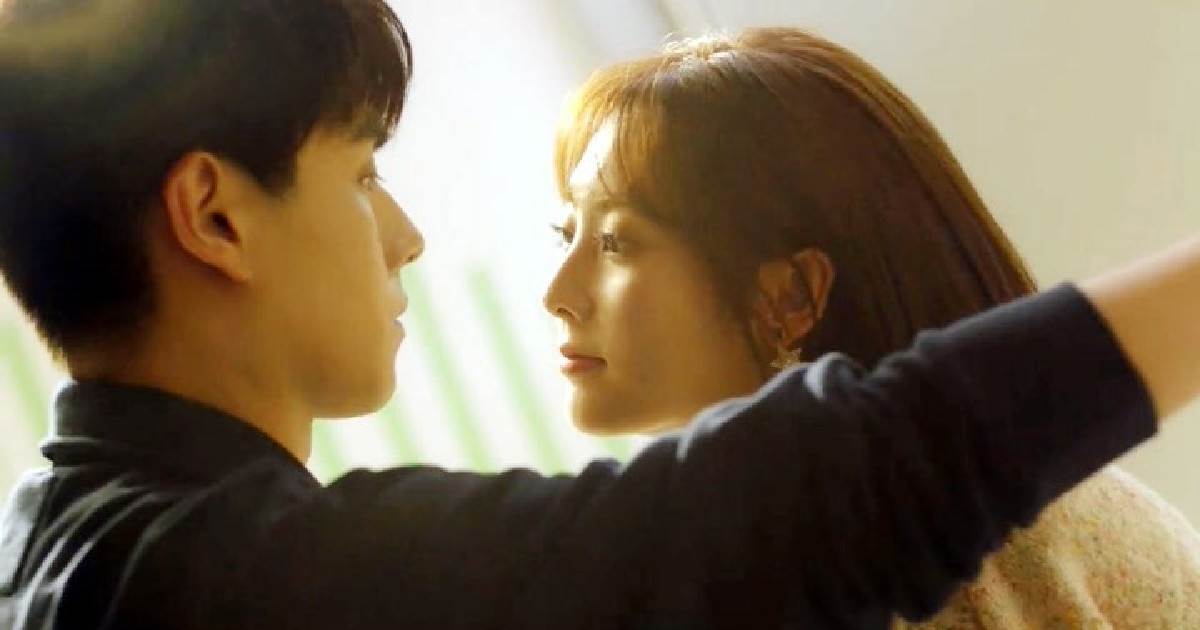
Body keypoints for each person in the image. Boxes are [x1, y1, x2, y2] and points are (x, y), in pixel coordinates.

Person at [0, 2, 1197, 629]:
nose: (405, 235)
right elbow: (802, 506)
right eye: (362, 173)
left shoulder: (64, 546)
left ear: (791, 293)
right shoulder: (215, 582)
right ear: (215, 216)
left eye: (614, 238)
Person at [542, 27, 1200, 628]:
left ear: (790, 297)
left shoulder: (911, 564)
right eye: (565, 235)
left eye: (617, 243)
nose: (557, 297)